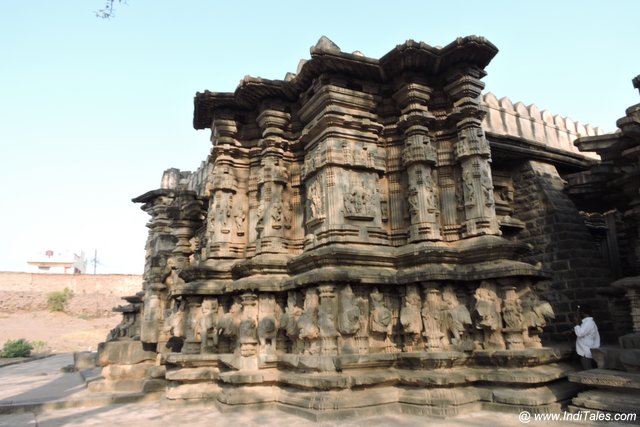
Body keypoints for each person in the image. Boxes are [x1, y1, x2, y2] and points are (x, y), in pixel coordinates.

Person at [573, 304, 600, 370]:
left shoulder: (588, 323)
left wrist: (576, 323)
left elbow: (579, 333)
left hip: (586, 351)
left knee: (588, 370)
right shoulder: (587, 323)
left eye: (579, 312)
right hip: (585, 350)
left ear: (582, 313)